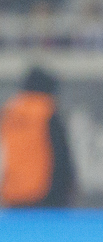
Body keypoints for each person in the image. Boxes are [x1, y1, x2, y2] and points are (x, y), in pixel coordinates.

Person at [1, 66, 76, 208]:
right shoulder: (45, 111)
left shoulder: (10, 111)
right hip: (43, 194)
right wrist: (65, 188)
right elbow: (61, 154)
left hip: (13, 193)